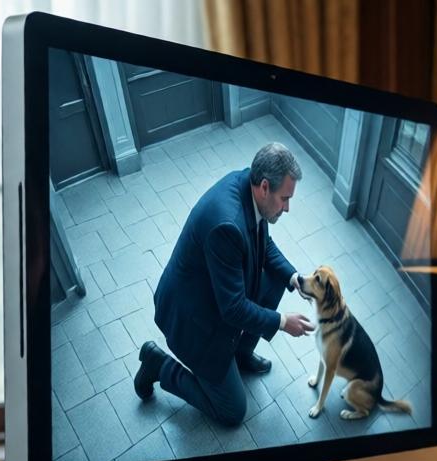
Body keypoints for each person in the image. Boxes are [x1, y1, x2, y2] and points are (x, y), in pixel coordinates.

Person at [135, 142, 315, 427]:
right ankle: (158, 365)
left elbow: (263, 244)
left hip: (216, 293)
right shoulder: (227, 225)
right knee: (232, 411)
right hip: (193, 319)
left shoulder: (251, 186)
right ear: (265, 187)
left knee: (276, 281)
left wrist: (295, 279)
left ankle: (240, 355)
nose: (288, 208)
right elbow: (232, 308)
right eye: (285, 199)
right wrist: (282, 322)